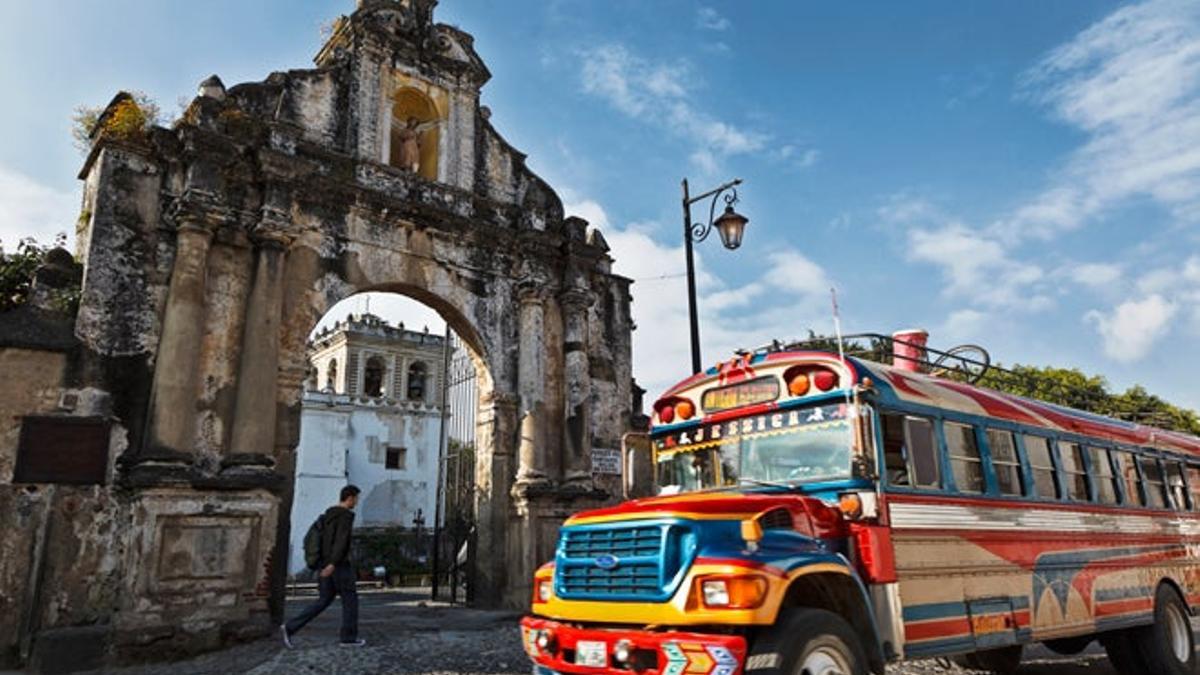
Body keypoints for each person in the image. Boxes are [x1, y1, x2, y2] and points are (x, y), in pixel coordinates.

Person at [282, 485, 364, 648]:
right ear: (350, 498)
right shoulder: (345, 516)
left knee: (324, 600)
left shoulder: (327, 515)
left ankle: (290, 627)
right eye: (356, 498)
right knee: (350, 600)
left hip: (324, 563)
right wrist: (333, 564)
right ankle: (348, 638)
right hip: (338, 565)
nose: (356, 501)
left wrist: (325, 564)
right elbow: (341, 542)